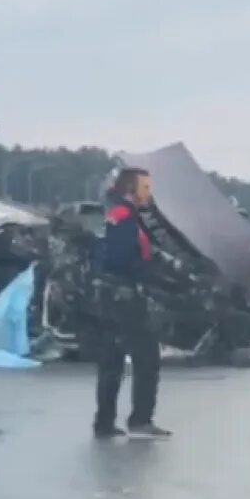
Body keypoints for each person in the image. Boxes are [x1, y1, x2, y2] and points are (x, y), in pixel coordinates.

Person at [92, 167, 171, 440]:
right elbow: (120, 259)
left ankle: (103, 423)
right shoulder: (125, 217)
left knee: (111, 363)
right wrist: (150, 274)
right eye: (145, 188)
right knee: (148, 359)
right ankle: (140, 420)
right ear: (130, 189)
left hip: (109, 297)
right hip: (125, 299)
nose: (148, 193)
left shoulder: (116, 213)